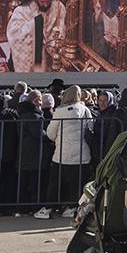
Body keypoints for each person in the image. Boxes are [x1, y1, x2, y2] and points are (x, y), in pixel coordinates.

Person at [45, 85, 95, 214]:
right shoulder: (85, 110)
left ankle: (50, 207)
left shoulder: (59, 111)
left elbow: (51, 133)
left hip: (63, 152)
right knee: (77, 184)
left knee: (55, 182)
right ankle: (73, 208)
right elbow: (91, 128)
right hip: (81, 153)